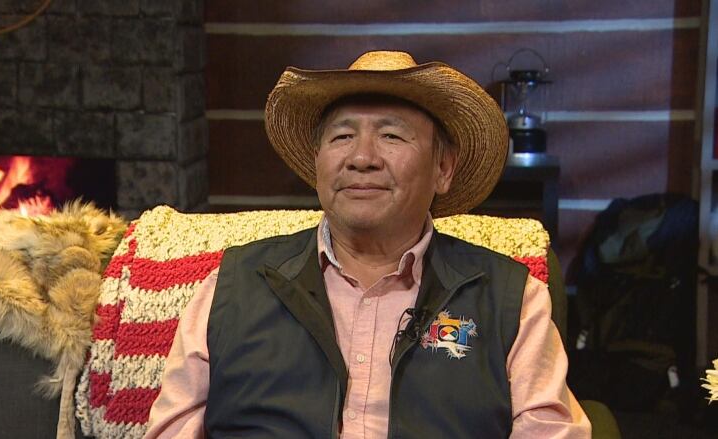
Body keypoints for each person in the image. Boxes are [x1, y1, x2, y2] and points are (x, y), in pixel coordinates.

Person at [144, 50, 590, 438]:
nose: (361, 158)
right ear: (318, 163)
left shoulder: (510, 300)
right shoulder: (232, 287)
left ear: (443, 168)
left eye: (392, 135)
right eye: (341, 136)